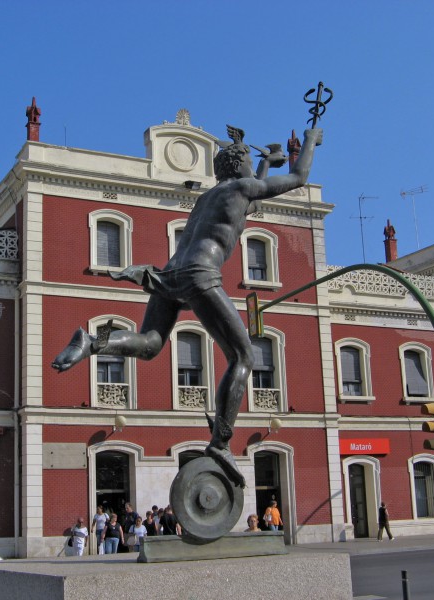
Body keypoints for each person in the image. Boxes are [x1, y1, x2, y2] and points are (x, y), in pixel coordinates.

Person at [52, 126, 323, 487]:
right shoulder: (242, 187)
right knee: (244, 357)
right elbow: (299, 176)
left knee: (150, 343)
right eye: (249, 162)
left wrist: (262, 166)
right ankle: (222, 443)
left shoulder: (210, 197)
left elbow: (251, 207)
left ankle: (94, 342)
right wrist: (309, 141)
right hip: (199, 274)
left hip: (170, 274)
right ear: (240, 164)